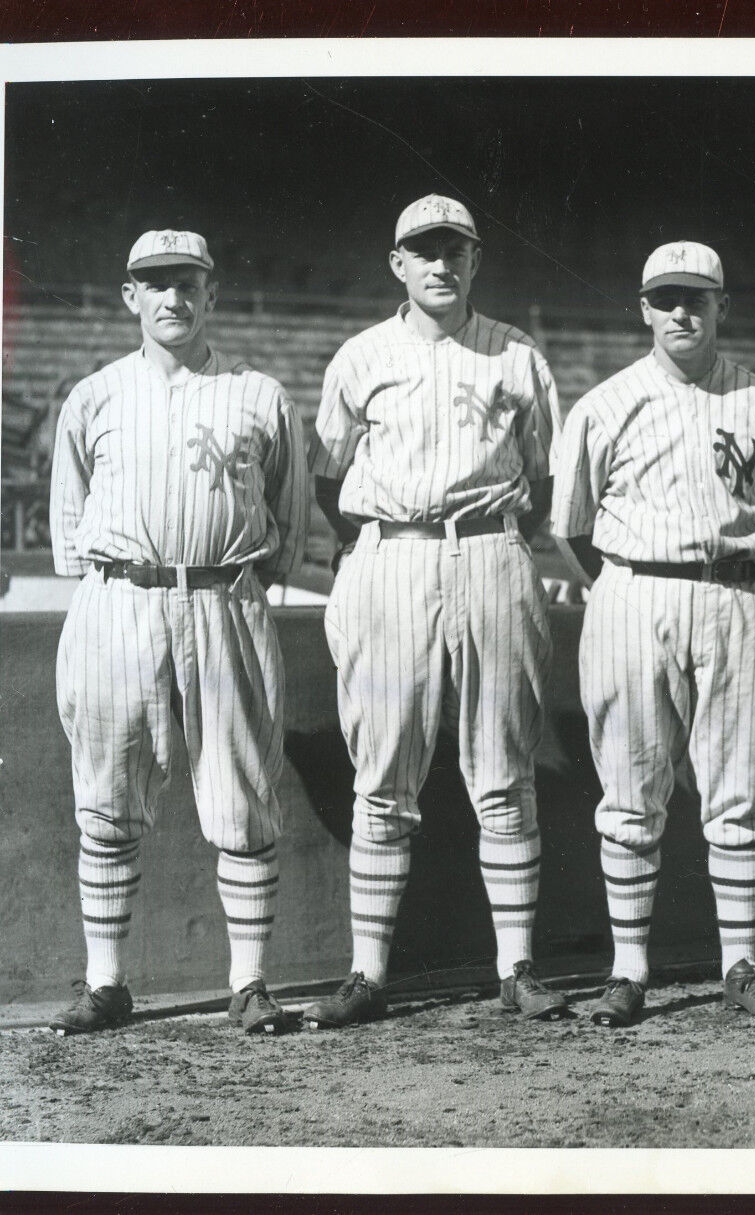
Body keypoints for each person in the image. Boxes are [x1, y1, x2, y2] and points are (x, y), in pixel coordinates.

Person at [302, 194, 567, 1028]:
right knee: (382, 771)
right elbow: (326, 476)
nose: (441, 263)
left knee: (504, 771)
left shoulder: (517, 355)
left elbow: (547, 476)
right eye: (424, 249)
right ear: (399, 265)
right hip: (394, 553)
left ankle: (516, 968)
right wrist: (388, 542)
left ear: (476, 259)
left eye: (455, 248)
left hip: (490, 547)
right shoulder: (360, 356)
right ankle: (368, 972)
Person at [48, 229, 309, 1035]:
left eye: (187, 282)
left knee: (243, 797)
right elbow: (68, 530)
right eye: (154, 283)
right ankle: (105, 981)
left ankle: (250, 982)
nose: (173, 298)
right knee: (109, 795)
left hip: (224, 601)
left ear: (212, 291)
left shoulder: (260, 394)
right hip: (117, 601)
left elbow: (289, 528)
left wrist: (229, 588)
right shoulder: (93, 396)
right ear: (131, 296)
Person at [550, 241, 755, 1027]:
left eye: (697, 297)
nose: (682, 312)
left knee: (737, 793)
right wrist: (632, 587)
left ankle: (740, 962)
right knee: (630, 794)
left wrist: (746, 581)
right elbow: (571, 530)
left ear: (722, 306)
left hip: (739, 591)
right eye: (666, 298)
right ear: (644, 308)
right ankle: (629, 969)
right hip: (634, 590)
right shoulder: (604, 402)